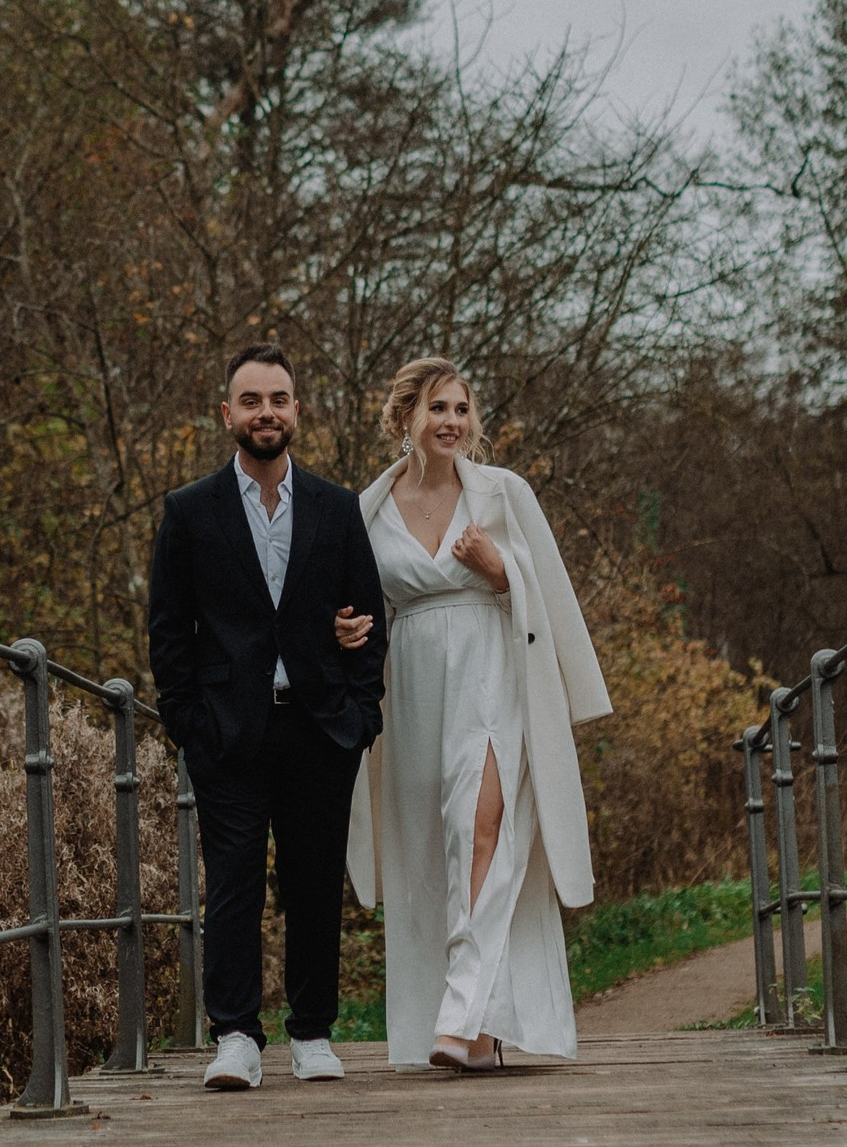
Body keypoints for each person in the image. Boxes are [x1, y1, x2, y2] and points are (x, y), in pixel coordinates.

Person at [334, 358, 610, 1071]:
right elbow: (362, 605)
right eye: (437, 409)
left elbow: (547, 597)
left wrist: (499, 570)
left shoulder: (502, 494)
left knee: (480, 829)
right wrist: (346, 631)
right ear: (405, 420)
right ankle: (482, 1025)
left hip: (492, 675)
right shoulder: (366, 508)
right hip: (413, 687)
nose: (452, 421)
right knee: (431, 852)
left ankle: (456, 1017)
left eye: (461, 408)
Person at [148, 344, 390, 1090]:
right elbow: (168, 629)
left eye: (278, 398)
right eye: (251, 400)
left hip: (321, 727)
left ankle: (314, 1032)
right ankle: (237, 1036)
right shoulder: (189, 511)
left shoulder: (337, 505)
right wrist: (189, 721)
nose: (266, 412)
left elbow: (369, 616)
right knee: (233, 884)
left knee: (315, 884)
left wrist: (360, 712)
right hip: (228, 731)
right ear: (228, 414)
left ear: (296, 409)